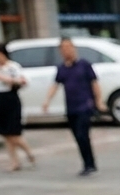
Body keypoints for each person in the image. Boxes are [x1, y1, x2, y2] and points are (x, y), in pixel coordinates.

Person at [43, 37, 104, 177]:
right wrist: (47, 100)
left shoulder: (84, 65)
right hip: (71, 107)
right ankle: (88, 163)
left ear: (74, 48)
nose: (66, 50)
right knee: (78, 136)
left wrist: (99, 101)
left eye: (69, 47)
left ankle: (89, 164)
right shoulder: (61, 68)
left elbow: (94, 83)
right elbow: (55, 85)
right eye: (63, 48)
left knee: (83, 135)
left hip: (85, 104)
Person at [0, 42, 33, 171]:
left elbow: (22, 81)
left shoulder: (12, 67)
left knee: (14, 132)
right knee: (5, 133)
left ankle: (28, 152)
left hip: (10, 98)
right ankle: (14, 161)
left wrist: (6, 79)